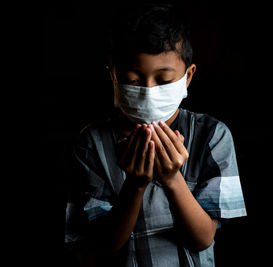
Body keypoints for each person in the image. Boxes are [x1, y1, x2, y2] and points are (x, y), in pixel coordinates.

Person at [64, 3, 246, 267]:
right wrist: (135, 185)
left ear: (188, 77)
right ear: (114, 76)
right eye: (133, 80)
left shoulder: (212, 136)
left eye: (162, 81)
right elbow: (101, 244)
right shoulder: (92, 144)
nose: (148, 91)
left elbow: (203, 238)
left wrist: (172, 178)